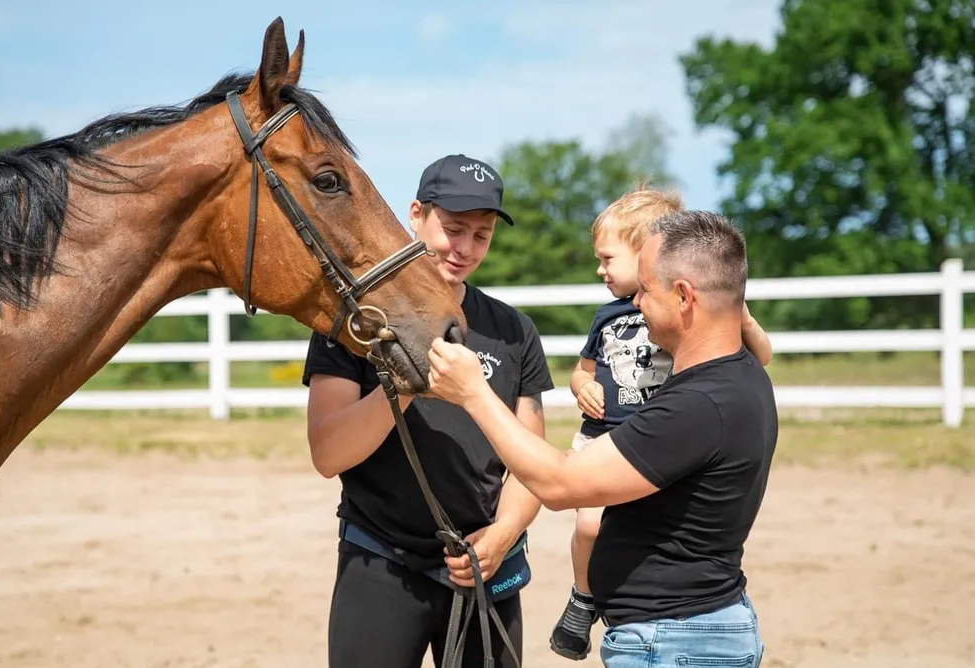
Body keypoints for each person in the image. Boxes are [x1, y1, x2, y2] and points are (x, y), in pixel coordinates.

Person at [427, 209, 779, 668]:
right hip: (688, 631)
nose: (635, 304)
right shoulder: (740, 376)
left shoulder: (698, 406)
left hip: (673, 642)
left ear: (684, 296)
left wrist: (473, 394)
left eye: (647, 291)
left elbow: (560, 485)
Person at [301, 153, 555, 668]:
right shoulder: (356, 321)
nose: (464, 249)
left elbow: (531, 460)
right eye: (453, 228)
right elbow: (328, 453)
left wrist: (503, 536)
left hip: (485, 565)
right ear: (415, 214)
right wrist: (407, 382)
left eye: (480, 236)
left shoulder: (513, 331)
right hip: (381, 559)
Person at [549, 187, 773, 661]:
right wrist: (579, 386)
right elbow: (585, 368)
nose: (601, 270)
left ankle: (582, 599)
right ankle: (584, 597)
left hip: (666, 635)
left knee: (590, 512)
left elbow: (557, 486)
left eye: (610, 258)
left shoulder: (705, 388)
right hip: (613, 432)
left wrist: (740, 312)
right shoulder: (610, 318)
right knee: (592, 523)